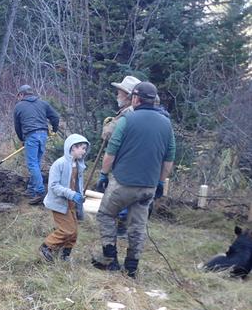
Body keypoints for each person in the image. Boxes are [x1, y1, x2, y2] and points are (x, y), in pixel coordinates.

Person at [92, 82, 176, 278]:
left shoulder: (127, 120)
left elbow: (110, 153)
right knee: (137, 225)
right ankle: (131, 267)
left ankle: (110, 260)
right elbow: (169, 159)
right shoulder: (166, 124)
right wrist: (161, 182)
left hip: (123, 183)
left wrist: (103, 175)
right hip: (148, 186)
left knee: (105, 214)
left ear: (136, 99)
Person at [97, 75, 141, 237]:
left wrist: (109, 124)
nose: (117, 95)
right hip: (137, 161)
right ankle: (129, 225)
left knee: (122, 192)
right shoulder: (141, 112)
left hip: (125, 161)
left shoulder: (128, 113)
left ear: (129, 96)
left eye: (120, 93)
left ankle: (121, 227)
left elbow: (108, 134)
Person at [39, 134, 90, 263]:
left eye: (85, 149)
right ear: (73, 148)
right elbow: (54, 186)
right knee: (67, 230)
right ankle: (46, 247)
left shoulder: (78, 165)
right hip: (59, 203)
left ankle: (64, 255)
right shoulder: (59, 164)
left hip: (72, 203)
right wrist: (71, 194)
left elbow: (77, 184)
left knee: (74, 233)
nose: (84, 152)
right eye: (82, 148)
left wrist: (79, 195)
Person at [13, 85, 60, 205]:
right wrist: (54, 129)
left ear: (22, 94)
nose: (18, 98)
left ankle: (39, 192)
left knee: (32, 164)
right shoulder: (43, 104)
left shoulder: (19, 106)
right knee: (36, 163)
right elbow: (55, 117)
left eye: (18, 95)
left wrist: (22, 139)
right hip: (43, 135)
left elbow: (17, 127)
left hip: (31, 136)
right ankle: (31, 189)